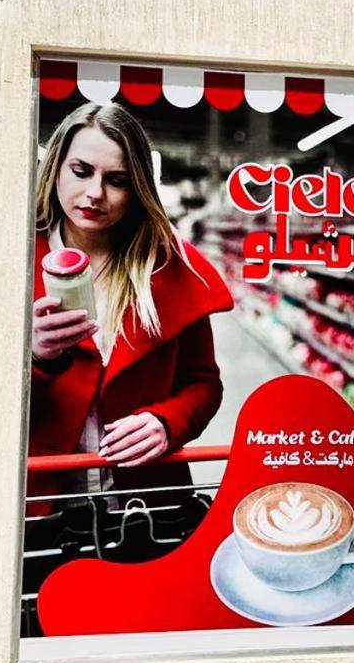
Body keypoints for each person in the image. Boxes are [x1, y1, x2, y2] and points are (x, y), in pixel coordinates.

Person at [27, 101, 233, 503]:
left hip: (149, 506)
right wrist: (36, 359)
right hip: (41, 507)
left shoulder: (170, 267)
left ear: (137, 187)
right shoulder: (12, 261)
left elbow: (204, 384)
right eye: (81, 171)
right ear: (55, 169)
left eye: (117, 180)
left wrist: (167, 423)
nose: (95, 193)